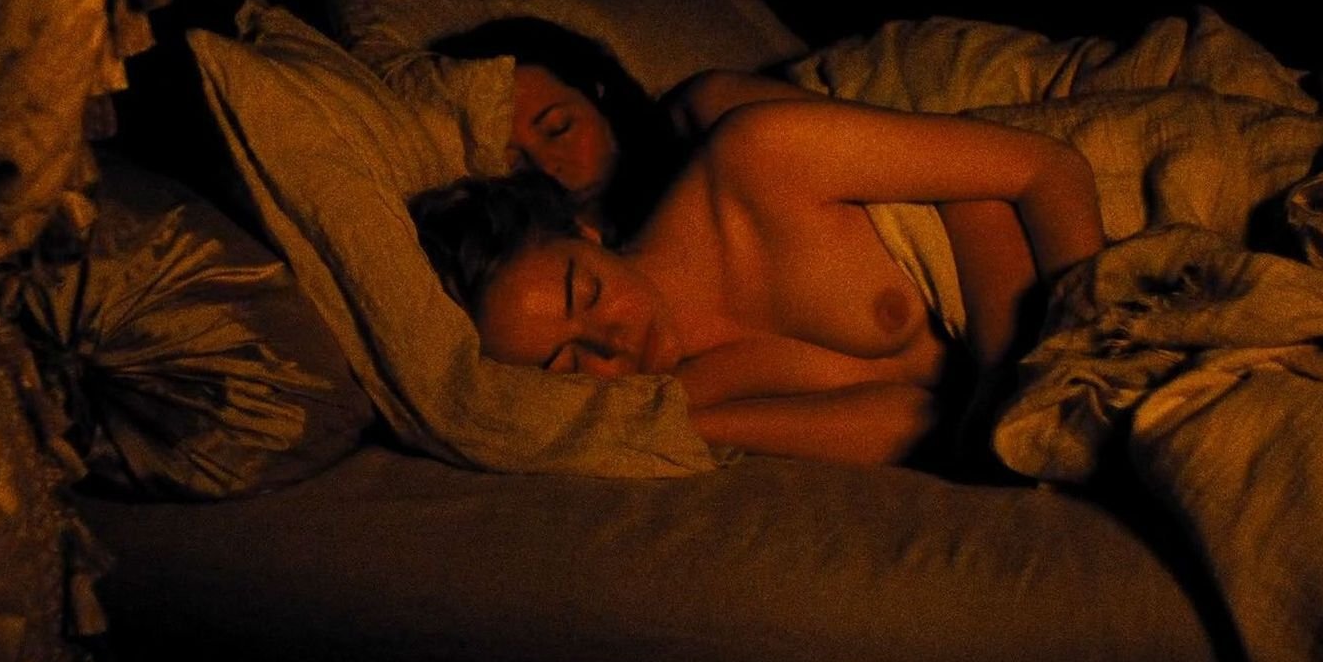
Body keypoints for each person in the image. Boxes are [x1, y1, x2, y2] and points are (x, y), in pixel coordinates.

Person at [411, 97, 1105, 466]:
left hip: (1087, 231)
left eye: (586, 292)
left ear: (585, 233)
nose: (611, 341)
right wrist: (689, 425)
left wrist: (1056, 366)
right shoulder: (685, 393)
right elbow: (915, 423)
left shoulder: (755, 159)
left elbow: (1047, 168)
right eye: (566, 364)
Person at [430, 18, 683, 241]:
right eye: (514, 163)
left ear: (599, 95)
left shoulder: (692, 154)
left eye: (558, 129)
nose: (547, 168)